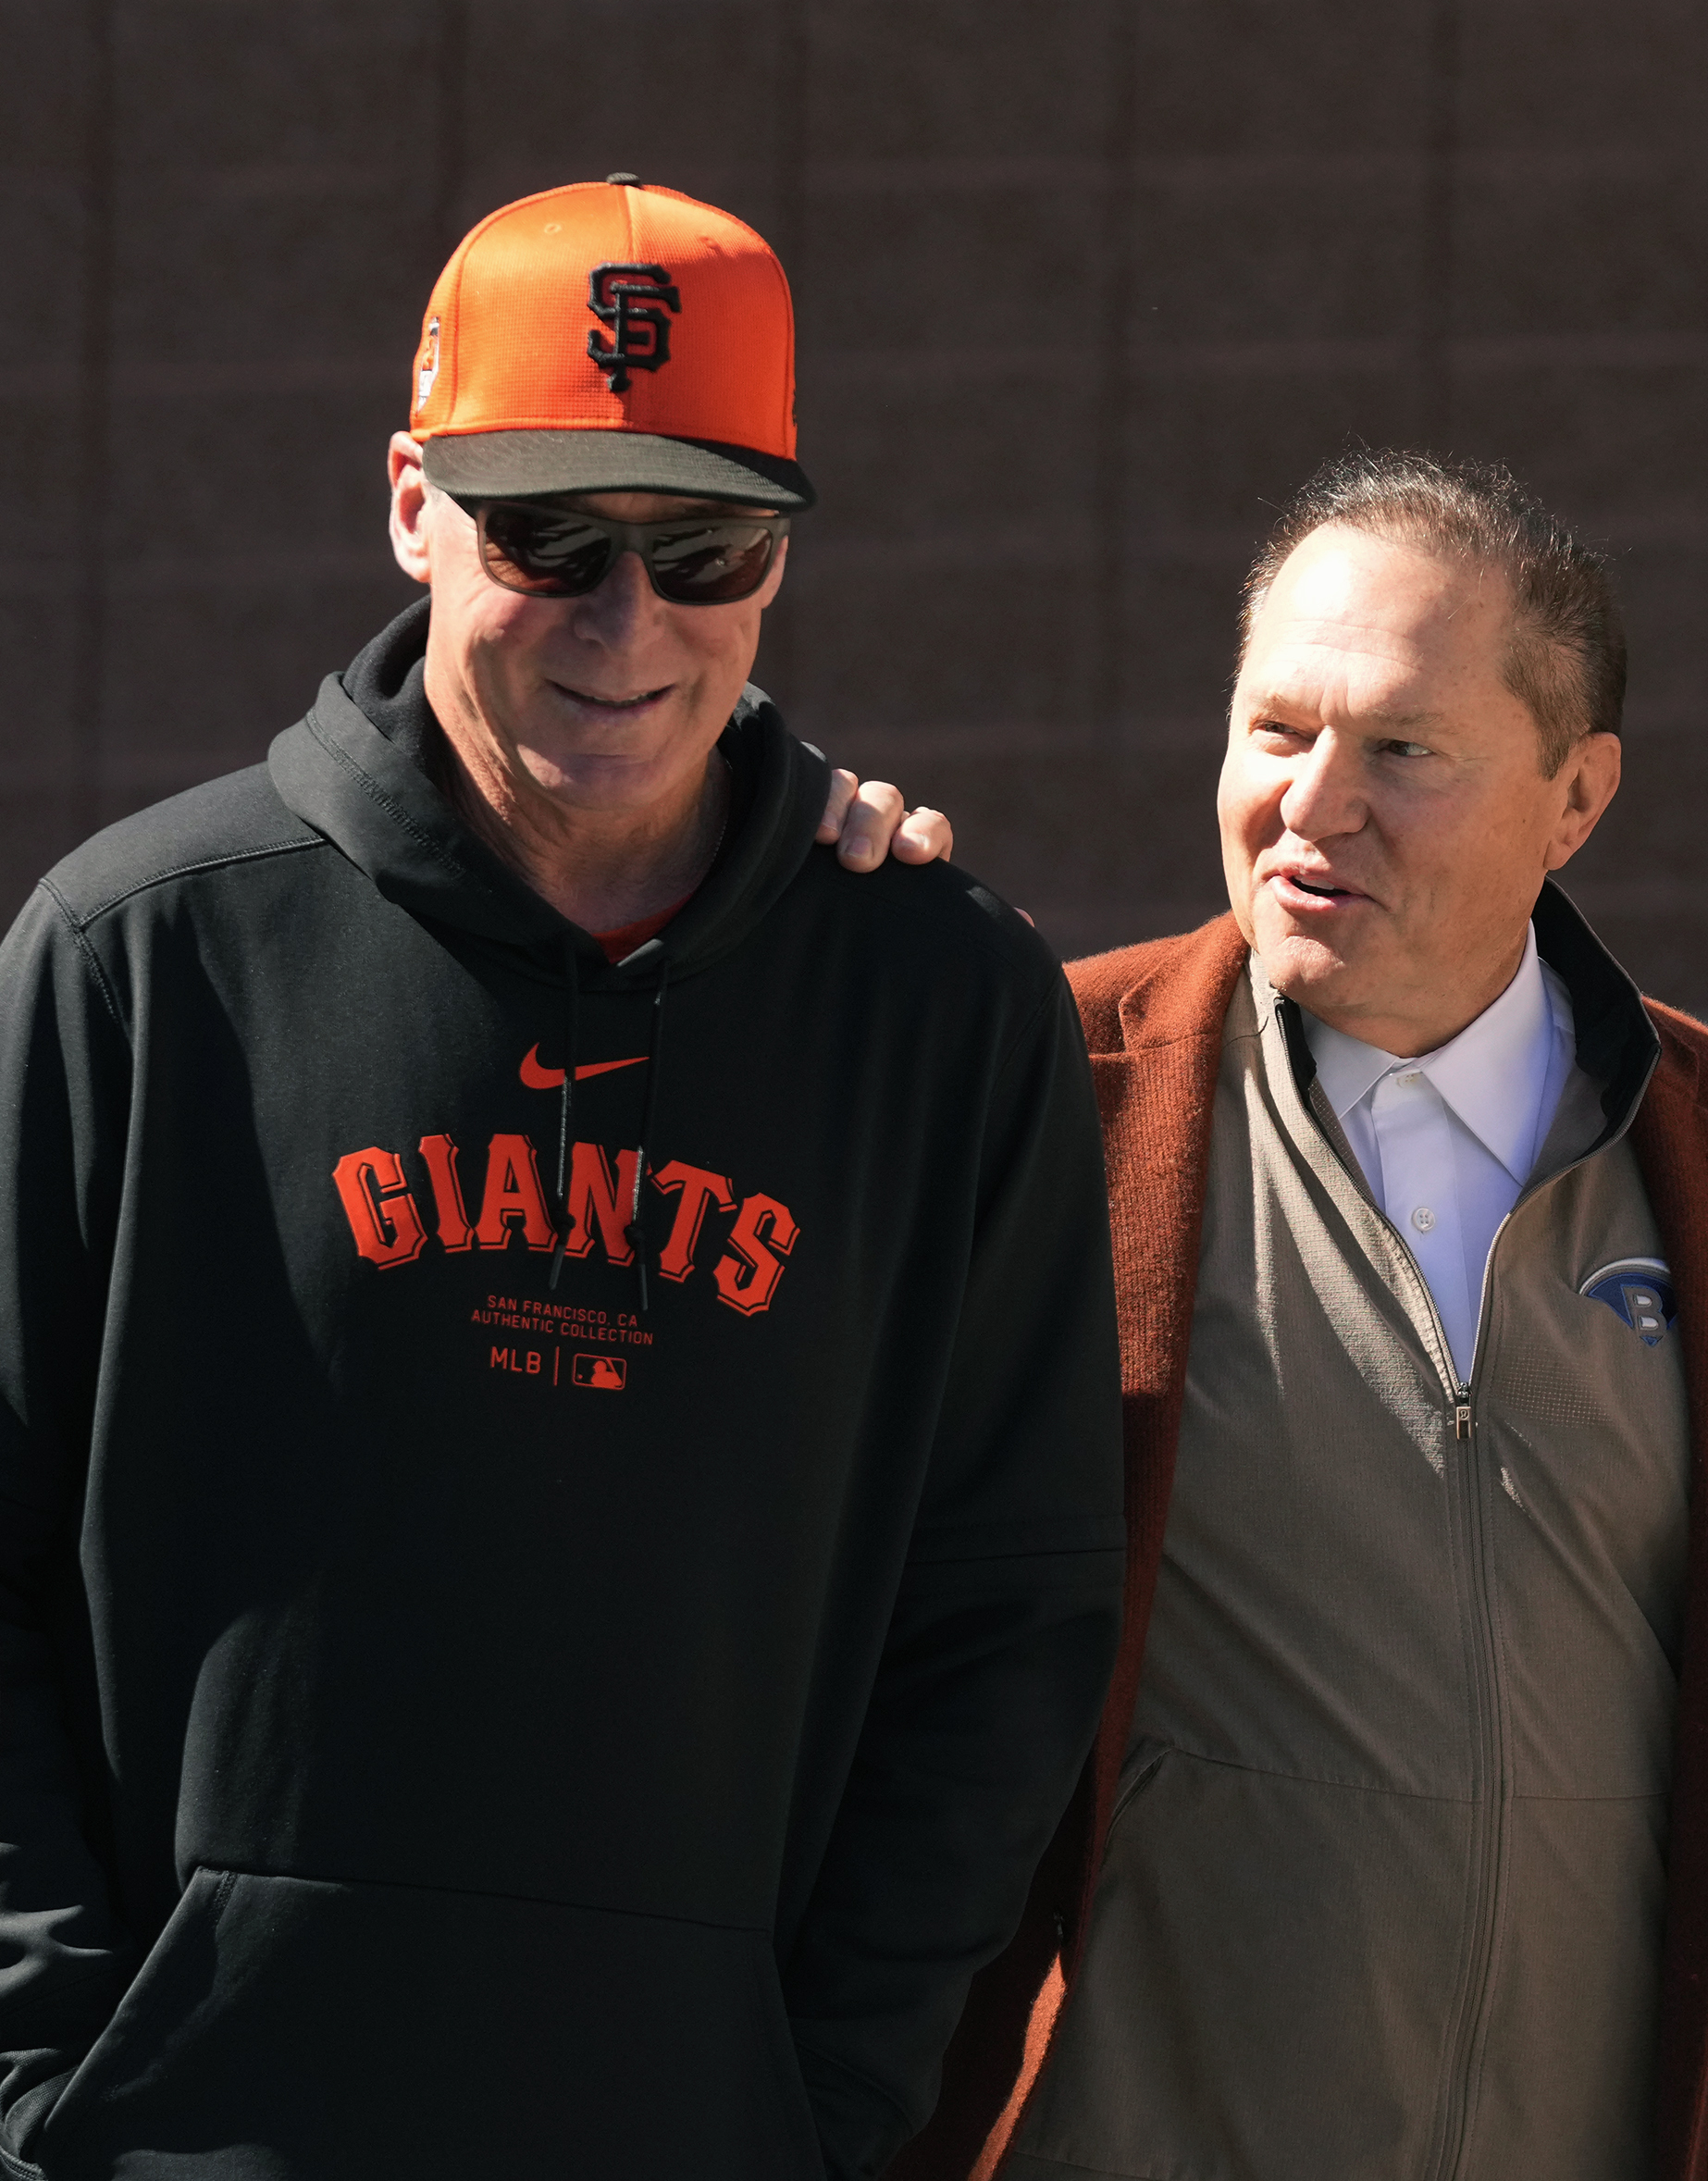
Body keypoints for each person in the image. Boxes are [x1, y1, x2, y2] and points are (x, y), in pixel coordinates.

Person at [0, 177, 1125, 2181]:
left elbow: (1006, 1619)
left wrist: (831, 2101)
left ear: (778, 557)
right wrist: (47, 2077)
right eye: (553, 539)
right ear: (416, 505)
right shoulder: (138, 960)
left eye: (701, 548)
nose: (630, 624)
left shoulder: (943, 1013)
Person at [883, 451, 1708, 2181]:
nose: (1312, 804)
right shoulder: (1035, 1103)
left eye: (1402, 752)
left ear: (1575, 799)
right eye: (1277, 729)